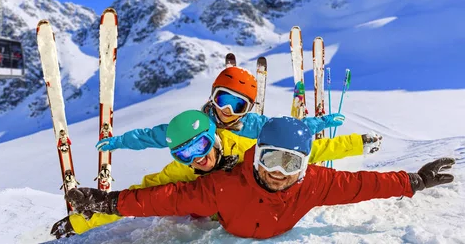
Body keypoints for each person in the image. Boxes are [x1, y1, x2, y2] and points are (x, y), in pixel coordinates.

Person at [65, 117, 455, 240]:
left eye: (291, 164)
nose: (277, 173)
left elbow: (361, 185)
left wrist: (412, 181)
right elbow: (161, 197)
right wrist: (106, 203)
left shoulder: (316, 184)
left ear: (304, 166)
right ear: (256, 156)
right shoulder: (222, 185)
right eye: (270, 159)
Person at [95, 66, 346, 153]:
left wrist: (321, 122)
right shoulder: (198, 123)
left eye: (238, 105)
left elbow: (289, 129)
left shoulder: (253, 125)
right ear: (212, 95)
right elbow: (155, 135)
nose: (227, 109)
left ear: (248, 109)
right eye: (222, 98)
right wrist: (118, 141)